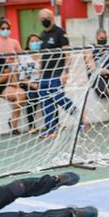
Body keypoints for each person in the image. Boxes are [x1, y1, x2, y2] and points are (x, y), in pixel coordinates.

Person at [38, 8, 73, 139]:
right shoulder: (42, 35)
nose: (44, 21)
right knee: (46, 101)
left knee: (59, 98)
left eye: (46, 18)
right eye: (41, 19)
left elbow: (67, 53)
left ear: (52, 18)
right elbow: (42, 56)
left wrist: (65, 72)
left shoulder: (60, 33)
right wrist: (40, 73)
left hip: (57, 73)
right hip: (45, 75)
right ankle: (51, 128)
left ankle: (80, 117)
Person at [18, 34, 43, 133]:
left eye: (37, 41)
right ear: (28, 44)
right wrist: (33, 85)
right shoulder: (24, 56)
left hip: (41, 82)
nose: (35, 43)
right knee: (32, 95)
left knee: (50, 94)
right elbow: (22, 77)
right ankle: (31, 126)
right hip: (27, 82)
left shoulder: (44, 54)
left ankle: (54, 123)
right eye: (32, 41)